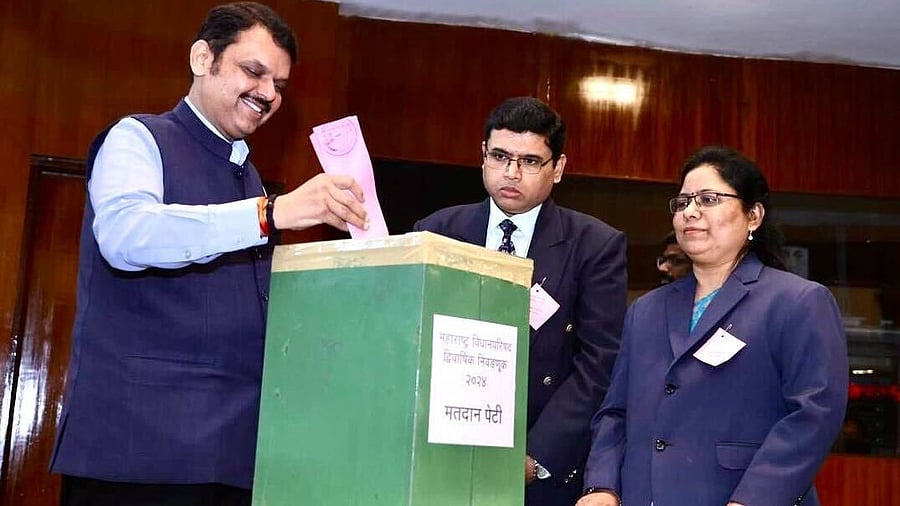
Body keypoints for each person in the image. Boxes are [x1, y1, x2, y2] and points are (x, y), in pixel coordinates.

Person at [49, 3, 368, 505]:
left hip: (233, 456)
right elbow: (127, 236)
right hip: (139, 455)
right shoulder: (137, 137)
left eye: (279, 85)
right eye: (253, 71)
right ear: (203, 58)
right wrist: (269, 214)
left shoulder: (249, 175)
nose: (267, 93)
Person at [578, 146, 848, 506]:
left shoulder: (797, 301)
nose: (690, 211)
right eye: (682, 202)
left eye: (708, 199)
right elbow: (615, 412)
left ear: (753, 216)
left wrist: (752, 500)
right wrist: (601, 486)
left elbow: (814, 416)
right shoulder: (645, 310)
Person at [414, 96, 627, 506]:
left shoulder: (594, 246)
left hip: (541, 464)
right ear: (483, 156)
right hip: (440, 455)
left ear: (558, 168)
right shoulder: (437, 231)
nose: (511, 173)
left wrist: (535, 455)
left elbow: (599, 364)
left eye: (530, 161)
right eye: (500, 156)